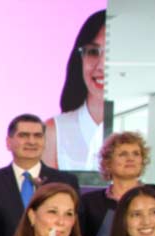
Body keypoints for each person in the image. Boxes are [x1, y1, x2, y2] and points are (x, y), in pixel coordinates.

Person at [0, 114, 80, 236]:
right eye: (24, 135)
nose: (31, 141)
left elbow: (75, 228)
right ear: (8, 142)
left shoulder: (66, 181)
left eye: (38, 136)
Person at [44, 11, 106, 171]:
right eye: (93, 52)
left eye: (112, 53)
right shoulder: (54, 131)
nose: (101, 66)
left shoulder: (151, 128)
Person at [80, 131, 155, 236]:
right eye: (123, 154)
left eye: (136, 154)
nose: (131, 159)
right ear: (108, 163)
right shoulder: (89, 202)